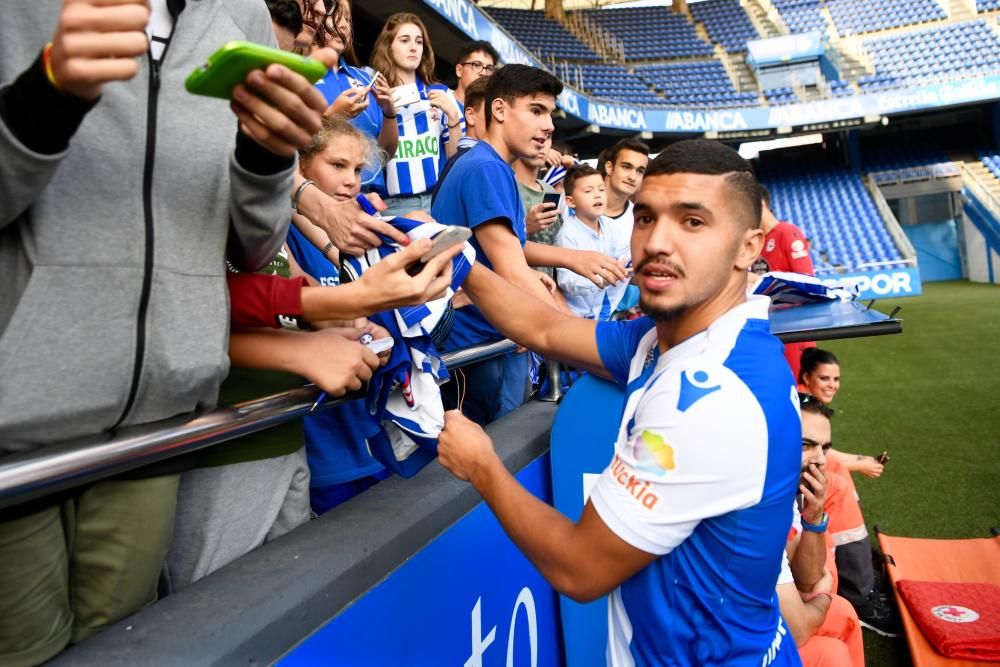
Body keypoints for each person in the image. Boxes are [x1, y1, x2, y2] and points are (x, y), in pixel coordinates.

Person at [0, 0, 331, 662]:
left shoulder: (241, 14)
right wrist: (44, 98)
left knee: (132, 649)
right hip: (15, 433)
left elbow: (252, 245)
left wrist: (268, 158)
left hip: (157, 425)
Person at [438, 139, 803, 665]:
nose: (658, 242)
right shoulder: (671, 338)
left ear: (750, 247)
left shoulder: (706, 397)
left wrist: (482, 466)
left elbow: (579, 569)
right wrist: (458, 262)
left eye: (692, 222)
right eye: (647, 218)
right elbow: (544, 325)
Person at [430, 64, 564, 425]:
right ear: (500, 110)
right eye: (536, 110)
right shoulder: (485, 167)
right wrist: (593, 346)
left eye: (550, 114)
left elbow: (504, 259)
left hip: (488, 338)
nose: (549, 125)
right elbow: (513, 271)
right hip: (477, 343)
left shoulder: (490, 165)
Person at [778, 394, 865, 667]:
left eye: (825, 448)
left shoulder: (785, 490)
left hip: (745, 622)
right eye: (806, 445)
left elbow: (806, 579)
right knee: (832, 653)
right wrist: (823, 597)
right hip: (712, 645)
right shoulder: (755, 508)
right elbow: (799, 630)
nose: (819, 459)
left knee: (844, 612)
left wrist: (814, 518)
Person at [371, 13, 463, 217]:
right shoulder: (374, 96)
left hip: (439, 200)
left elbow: (455, 161)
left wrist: (454, 120)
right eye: (404, 40)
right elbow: (374, 158)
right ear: (388, 46)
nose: (413, 47)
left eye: (419, 41)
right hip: (393, 205)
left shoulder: (442, 94)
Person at [754, 186, 816, 379]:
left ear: (760, 204)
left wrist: (761, 280)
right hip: (770, 328)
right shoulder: (755, 241)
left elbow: (808, 284)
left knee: (800, 390)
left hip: (795, 329)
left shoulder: (788, 233)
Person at [555, 165, 631, 320]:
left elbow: (624, 256)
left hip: (604, 309)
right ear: (570, 201)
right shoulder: (567, 234)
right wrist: (601, 279)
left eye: (601, 190)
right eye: (588, 191)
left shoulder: (612, 227)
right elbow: (566, 281)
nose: (597, 195)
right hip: (576, 315)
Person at [602, 137, 650, 227]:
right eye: (626, 167)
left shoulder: (638, 220)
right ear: (609, 168)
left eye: (640, 171)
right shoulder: (573, 205)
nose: (632, 177)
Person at [453, 40, 498, 108]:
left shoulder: (490, 116)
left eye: (489, 68)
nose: (484, 73)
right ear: (459, 70)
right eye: (477, 65)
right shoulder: (434, 98)